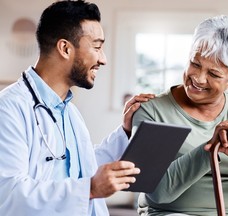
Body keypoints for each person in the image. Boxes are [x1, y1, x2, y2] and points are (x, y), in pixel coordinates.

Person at [0, 1, 154, 216]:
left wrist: (125, 131)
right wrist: (90, 189)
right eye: (97, 47)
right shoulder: (8, 109)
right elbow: (8, 195)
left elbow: (84, 169)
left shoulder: (69, 111)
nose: (103, 59)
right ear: (65, 48)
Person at [132, 15, 228, 215]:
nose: (198, 78)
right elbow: (157, 193)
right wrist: (210, 149)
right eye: (195, 64)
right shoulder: (153, 110)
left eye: (213, 74)